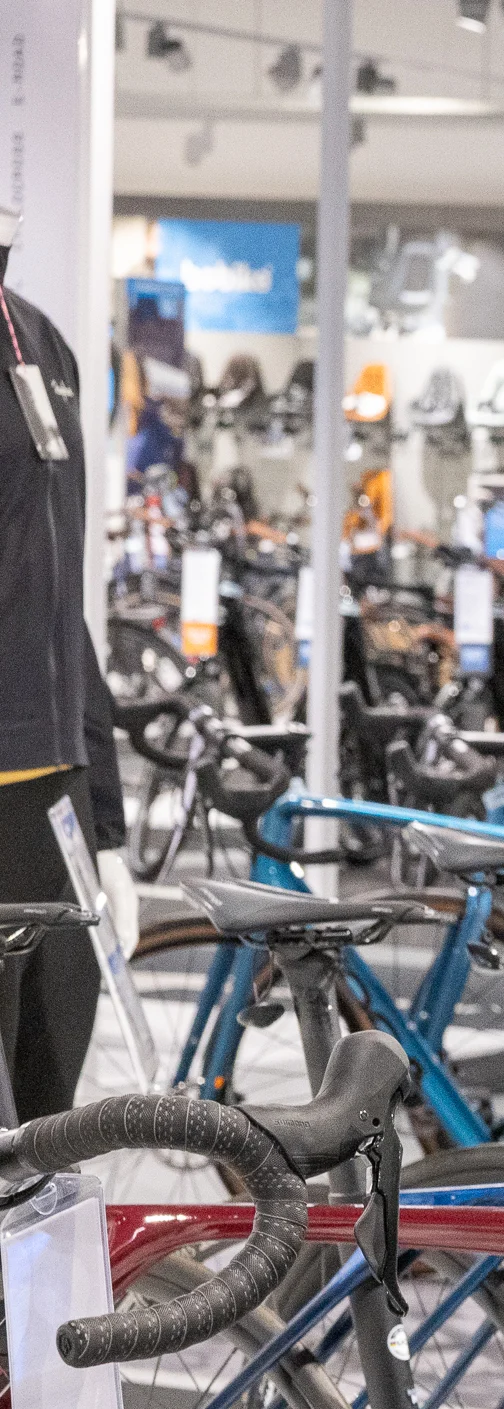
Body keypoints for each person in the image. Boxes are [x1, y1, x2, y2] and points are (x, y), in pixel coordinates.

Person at [0, 205, 134, 1121]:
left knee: (48, 1118)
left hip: (55, 792)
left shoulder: (41, 340)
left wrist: (110, 813)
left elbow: (62, 593)